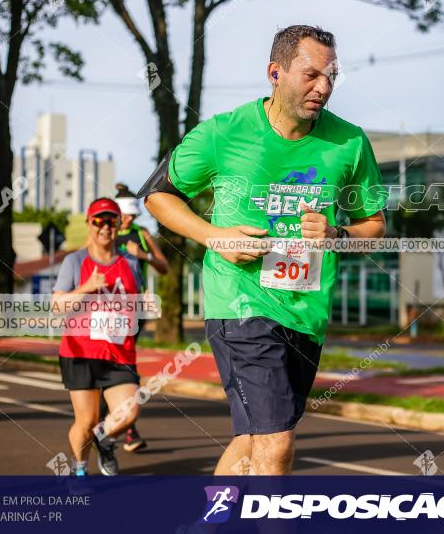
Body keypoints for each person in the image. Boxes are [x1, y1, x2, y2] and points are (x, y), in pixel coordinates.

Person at [144, 25, 386, 475]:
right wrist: (214, 236)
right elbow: (158, 195)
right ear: (275, 72)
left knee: (253, 440)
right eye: (311, 74)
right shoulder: (224, 132)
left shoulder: (349, 142)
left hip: (306, 310)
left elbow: (374, 224)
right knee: (277, 444)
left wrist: (338, 236)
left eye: (332, 76)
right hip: (240, 304)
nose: (324, 87)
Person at [52, 198, 144, 477]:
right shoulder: (75, 261)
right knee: (86, 420)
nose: (106, 227)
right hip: (80, 353)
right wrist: (87, 287)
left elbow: (133, 303)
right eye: (99, 221)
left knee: (128, 413)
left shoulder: (130, 262)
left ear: (119, 224)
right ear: (89, 224)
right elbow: (57, 305)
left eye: (112, 221)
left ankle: (103, 439)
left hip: (119, 353)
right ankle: (80, 469)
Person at [93, 186, 167, 455]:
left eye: (132, 217)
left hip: (132, 311)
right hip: (104, 312)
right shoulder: (104, 234)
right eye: (124, 216)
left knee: (124, 366)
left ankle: (121, 426)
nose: (128, 221)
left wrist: (143, 255)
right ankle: (108, 425)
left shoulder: (142, 235)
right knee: (111, 367)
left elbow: (164, 265)